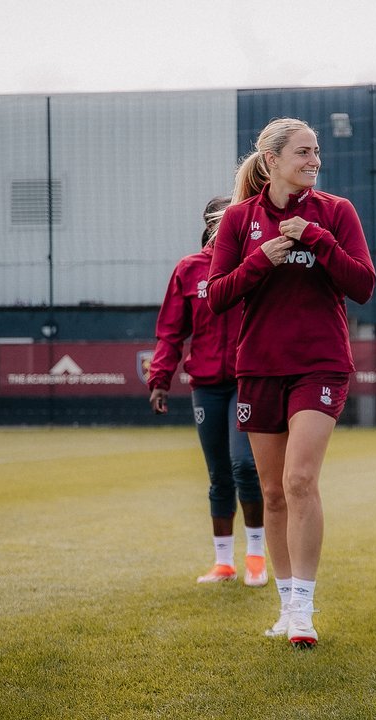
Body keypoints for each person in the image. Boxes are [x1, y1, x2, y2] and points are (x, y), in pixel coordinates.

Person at [208, 118, 376, 648]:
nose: (314, 160)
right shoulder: (239, 220)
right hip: (258, 367)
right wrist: (261, 260)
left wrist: (318, 241)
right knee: (274, 492)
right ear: (273, 160)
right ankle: (285, 605)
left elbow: (364, 285)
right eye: (304, 152)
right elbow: (215, 296)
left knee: (301, 480)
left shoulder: (336, 213)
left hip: (320, 364)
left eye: (317, 152)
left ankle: (303, 609)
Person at [148, 196, 267, 588]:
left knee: (245, 466)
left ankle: (255, 557)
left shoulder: (253, 264)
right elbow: (170, 332)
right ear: (207, 223)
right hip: (206, 386)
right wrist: (160, 379)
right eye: (217, 220)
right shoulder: (189, 270)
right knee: (219, 476)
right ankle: (223, 563)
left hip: (247, 381)